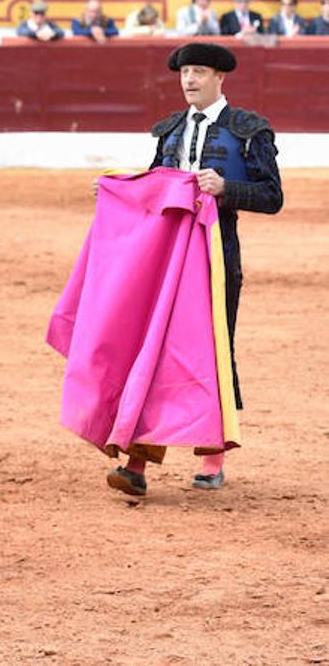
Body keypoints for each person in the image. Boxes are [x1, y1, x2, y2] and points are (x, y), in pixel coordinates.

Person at [105, 43, 282, 496]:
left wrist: (226, 189)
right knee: (156, 351)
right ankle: (138, 463)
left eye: (199, 71)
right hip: (167, 260)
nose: (189, 80)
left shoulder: (248, 131)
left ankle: (212, 458)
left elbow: (272, 196)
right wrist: (119, 191)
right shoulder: (169, 131)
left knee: (213, 350)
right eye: (185, 72)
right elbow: (152, 187)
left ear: (220, 77)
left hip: (216, 256)